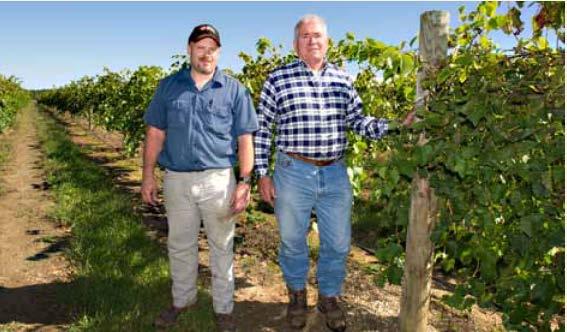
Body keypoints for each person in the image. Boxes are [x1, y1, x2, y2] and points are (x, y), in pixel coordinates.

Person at [254, 14, 415, 332]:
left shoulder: (343, 79)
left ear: (327, 42)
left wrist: (397, 125)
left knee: (339, 244)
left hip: (334, 172)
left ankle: (328, 297)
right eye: (305, 36)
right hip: (292, 171)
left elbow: (359, 121)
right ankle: (297, 296)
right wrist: (262, 173)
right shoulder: (278, 79)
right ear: (296, 44)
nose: (312, 40)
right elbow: (261, 128)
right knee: (291, 240)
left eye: (317, 35)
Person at [142, 23, 258, 332]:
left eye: (212, 48)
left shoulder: (233, 89)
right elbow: (155, 132)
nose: (206, 53)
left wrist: (245, 181)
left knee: (222, 246)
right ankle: (182, 300)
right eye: (200, 47)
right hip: (177, 180)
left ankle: (224, 309)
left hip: (218, 180)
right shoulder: (168, 87)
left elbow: (246, 138)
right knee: (180, 244)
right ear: (189, 49)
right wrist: (147, 176)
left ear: (218, 52)